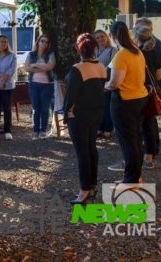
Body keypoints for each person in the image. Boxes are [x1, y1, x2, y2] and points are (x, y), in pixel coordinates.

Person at [63, 34, 107, 204]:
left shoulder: (77, 69)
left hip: (79, 115)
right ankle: (92, 185)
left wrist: (67, 115)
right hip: (96, 113)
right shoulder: (102, 67)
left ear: (79, 49)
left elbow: (70, 96)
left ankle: (84, 190)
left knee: (82, 153)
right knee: (91, 149)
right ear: (94, 48)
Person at [105, 21, 148, 184]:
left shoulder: (121, 55)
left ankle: (131, 180)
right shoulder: (137, 52)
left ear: (112, 36)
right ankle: (134, 177)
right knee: (136, 138)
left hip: (124, 101)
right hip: (140, 98)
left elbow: (115, 82)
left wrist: (105, 86)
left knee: (128, 142)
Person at [133, 26, 161, 169]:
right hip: (152, 91)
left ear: (137, 38)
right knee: (149, 125)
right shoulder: (155, 53)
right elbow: (158, 76)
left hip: (138, 92)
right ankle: (148, 159)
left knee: (136, 126)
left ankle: (133, 159)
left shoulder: (136, 54)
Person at [25, 35, 56, 140]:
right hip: (34, 84)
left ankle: (43, 130)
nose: (44, 44)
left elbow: (50, 66)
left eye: (47, 42)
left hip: (47, 85)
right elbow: (27, 68)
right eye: (42, 41)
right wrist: (42, 67)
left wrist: (36, 65)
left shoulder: (50, 55)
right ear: (38, 42)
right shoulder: (31, 54)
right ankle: (35, 131)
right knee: (35, 108)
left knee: (45, 109)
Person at [94, 29, 117, 139]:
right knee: (98, 107)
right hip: (95, 82)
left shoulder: (113, 50)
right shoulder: (94, 51)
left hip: (107, 81)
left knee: (107, 106)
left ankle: (108, 129)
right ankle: (99, 128)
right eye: (97, 38)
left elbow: (114, 67)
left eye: (102, 36)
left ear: (106, 37)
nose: (100, 39)